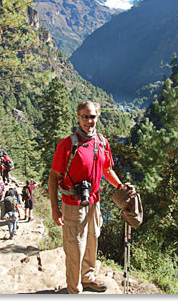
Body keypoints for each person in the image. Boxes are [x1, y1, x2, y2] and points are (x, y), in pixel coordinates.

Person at [48, 100, 136, 294]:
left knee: (91, 241)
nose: (89, 121)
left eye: (92, 116)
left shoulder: (102, 142)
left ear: (98, 116)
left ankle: (87, 278)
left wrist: (121, 186)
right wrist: (55, 209)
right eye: (85, 117)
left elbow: (107, 170)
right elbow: (53, 177)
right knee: (74, 248)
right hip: (73, 204)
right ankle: (74, 289)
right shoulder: (67, 144)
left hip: (94, 202)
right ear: (78, 118)